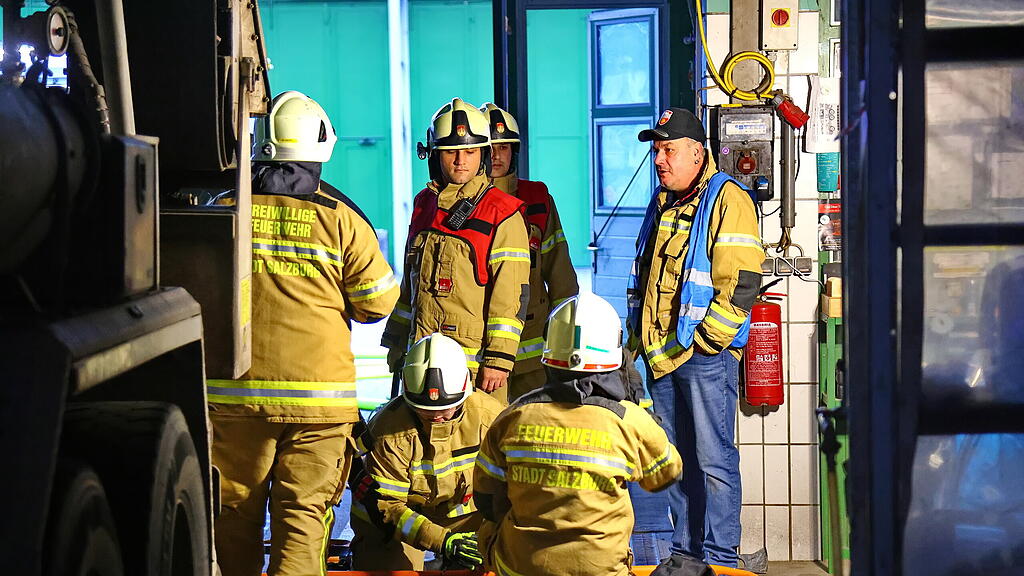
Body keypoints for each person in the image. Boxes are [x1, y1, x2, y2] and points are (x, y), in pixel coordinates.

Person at [206, 91, 400, 576]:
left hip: (235, 399)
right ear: (320, 147)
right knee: (302, 521)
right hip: (319, 404)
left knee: (233, 520)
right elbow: (377, 303)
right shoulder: (341, 218)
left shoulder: (223, 209)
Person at [627, 108, 764, 569]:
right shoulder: (663, 199)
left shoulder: (728, 197)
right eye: (656, 150)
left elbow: (742, 281)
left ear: (697, 153)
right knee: (677, 460)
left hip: (703, 356)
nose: (659, 160)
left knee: (713, 459)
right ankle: (686, 554)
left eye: (668, 150)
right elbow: (647, 276)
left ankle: (721, 558)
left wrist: (708, 342)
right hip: (663, 356)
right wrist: (636, 341)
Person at [474, 292, 683, 576]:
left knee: (490, 527)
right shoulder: (628, 420)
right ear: (616, 357)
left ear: (549, 352)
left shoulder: (512, 416)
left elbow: (486, 499)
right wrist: (640, 407)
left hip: (520, 568)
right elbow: (665, 475)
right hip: (600, 570)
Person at [381, 97, 531, 402]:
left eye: (470, 152)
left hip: (475, 370)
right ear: (434, 155)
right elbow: (411, 285)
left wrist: (499, 360)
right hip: (420, 357)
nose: (461, 160)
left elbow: (510, 295)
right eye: (451, 151)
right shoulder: (424, 204)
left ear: (483, 154)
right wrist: (396, 339)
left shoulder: (502, 212)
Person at [349, 332, 505, 570]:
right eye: (424, 411)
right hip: (401, 520)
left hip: (467, 516)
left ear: (464, 392)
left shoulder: (492, 419)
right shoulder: (388, 431)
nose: (436, 417)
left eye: (447, 409)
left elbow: (514, 488)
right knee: (389, 569)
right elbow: (389, 507)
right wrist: (442, 541)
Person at [480, 102, 579, 402]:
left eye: (504, 148)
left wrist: (568, 341)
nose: (497, 156)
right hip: (482, 354)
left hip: (534, 353)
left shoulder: (537, 199)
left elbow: (561, 274)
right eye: (490, 147)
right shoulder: (460, 205)